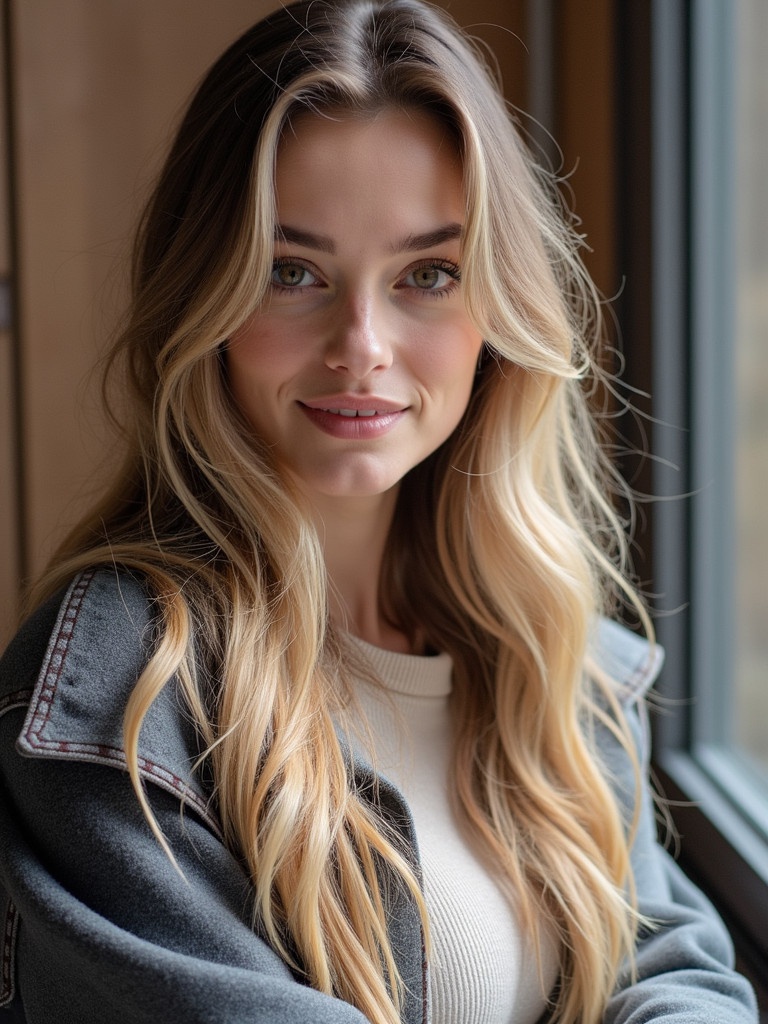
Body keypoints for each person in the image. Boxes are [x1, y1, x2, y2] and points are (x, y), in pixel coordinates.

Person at [0, 1, 758, 1022]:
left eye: (428, 274)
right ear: (206, 301)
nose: (361, 343)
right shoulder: (119, 693)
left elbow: (669, 964)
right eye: (293, 271)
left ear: (495, 308)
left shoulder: (541, 649)